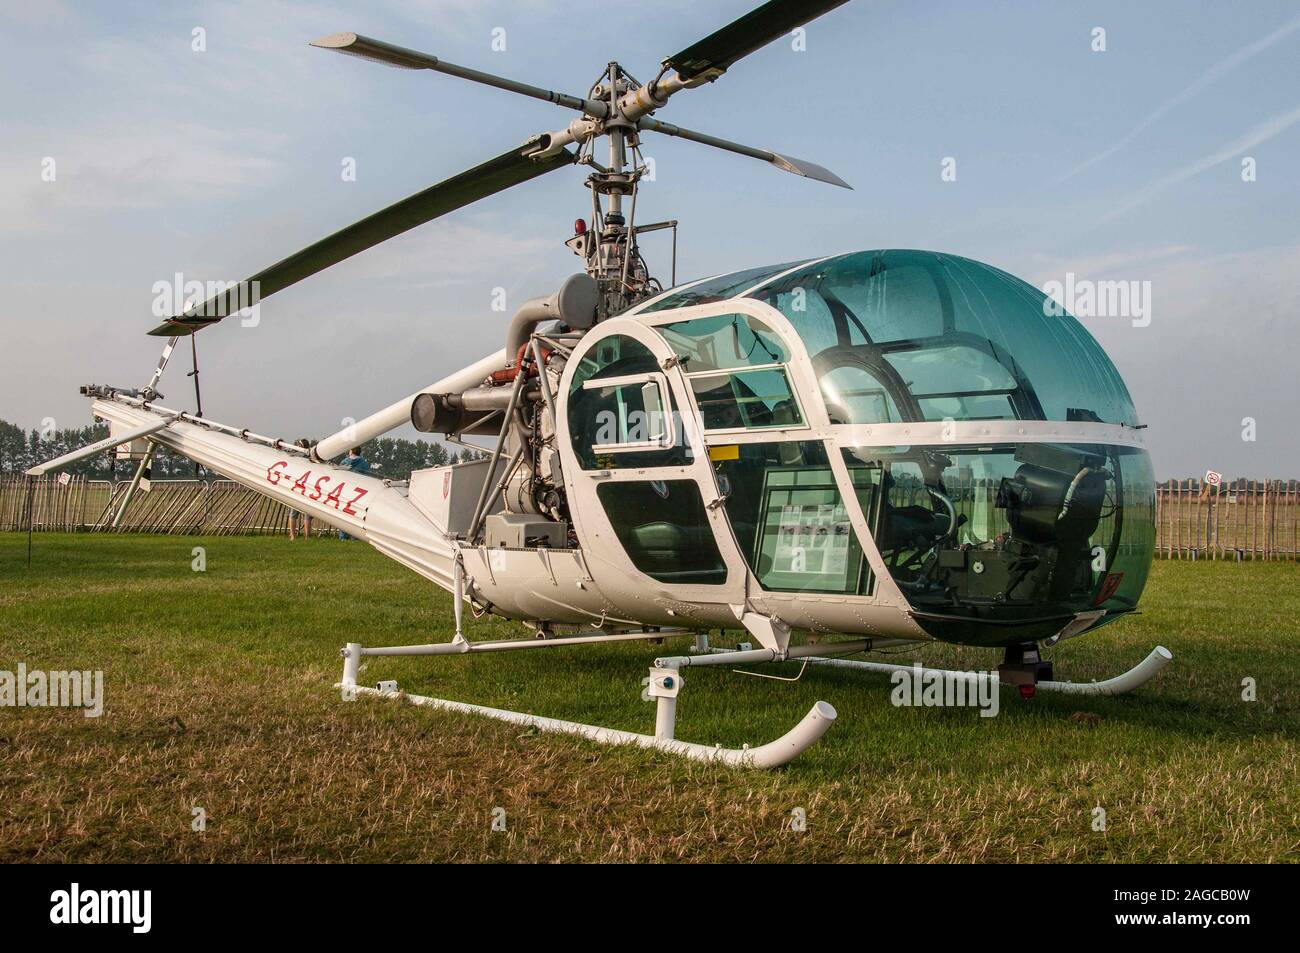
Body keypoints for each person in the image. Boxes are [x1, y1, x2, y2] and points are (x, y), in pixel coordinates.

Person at [337, 446, 370, 540]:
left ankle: (343, 536)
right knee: (356, 513)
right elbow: (367, 477)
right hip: (358, 492)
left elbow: (339, 475)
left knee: (344, 513)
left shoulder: (344, 462)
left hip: (345, 490)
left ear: (351, 451)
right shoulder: (363, 463)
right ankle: (355, 536)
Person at [287, 438, 313, 540]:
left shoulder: (293, 456)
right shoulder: (310, 457)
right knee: (307, 514)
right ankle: (307, 536)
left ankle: (293, 535)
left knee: (293, 513)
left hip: (296, 486)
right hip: (307, 486)